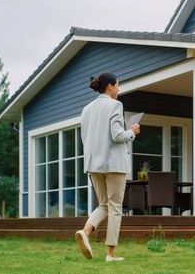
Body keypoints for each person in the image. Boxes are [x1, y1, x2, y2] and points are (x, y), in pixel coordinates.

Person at [74, 73, 140, 262]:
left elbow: (84, 137)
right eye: (118, 85)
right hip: (114, 164)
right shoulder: (115, 105)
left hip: (93, 164)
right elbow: (117, 135)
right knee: (115, 207)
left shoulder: (86, 109)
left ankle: (85, 231)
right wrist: (132, 132)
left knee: (104, 204)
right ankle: (110, 254)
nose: (119, 89)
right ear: (110, 86)